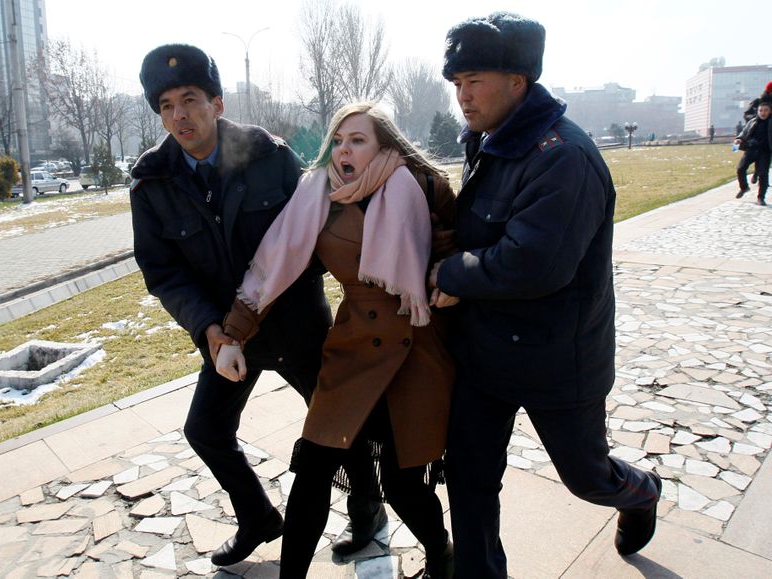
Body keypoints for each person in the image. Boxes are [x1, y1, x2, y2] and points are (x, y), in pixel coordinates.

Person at [428, 12, 662, 578]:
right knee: (470, 475)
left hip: (558, 359)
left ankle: (642, 492)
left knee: (587, 478)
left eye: (474, 80)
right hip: (484, 353)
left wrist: (448, 274)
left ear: (519, 80)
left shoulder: (562, 156)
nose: (463, 95)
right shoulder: (489, 140)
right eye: (456, 83)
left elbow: (533, 264)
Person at [129, 44, 378, 568]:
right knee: (206, 430)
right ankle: (258, 516)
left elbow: (317, 239)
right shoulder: (152, 181)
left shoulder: (271, 156)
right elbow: (163, 272)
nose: (180, 114)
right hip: (226, 335)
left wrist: (269, 293)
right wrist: (211, 331)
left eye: (191, 99)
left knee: (341, 421)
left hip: (296, 326)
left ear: (217, 103)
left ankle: (367, 509)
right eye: (167, 104)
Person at [216, 102, 456, 579]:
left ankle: (442, 554)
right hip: (354, 349)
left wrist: (447, 276)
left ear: (384, 145)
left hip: (417, 347)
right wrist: (233, 333)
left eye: (358, 140)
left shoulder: (425, 185)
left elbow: (456, 251)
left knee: (403, 483)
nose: (344, 150)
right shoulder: (318, 197)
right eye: (339, 140)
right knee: (314, 469)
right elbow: (274, 264)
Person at [734, 97, 771, 205]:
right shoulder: (753, 121)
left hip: (765, 152)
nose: (763, 113)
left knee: (763, 174)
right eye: (760, 110)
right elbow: (744, 133)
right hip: (751, 149)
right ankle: (744, 187)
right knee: (740, 169)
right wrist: (738, 139)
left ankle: (761, 198)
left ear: (770, 111)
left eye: (765, 110)